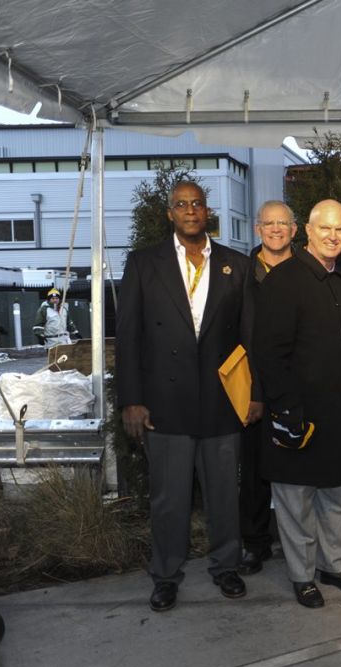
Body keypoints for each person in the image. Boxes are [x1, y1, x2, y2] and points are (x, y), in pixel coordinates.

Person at [115, 180, 261, 612]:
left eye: (197, 203)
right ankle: (164, 576)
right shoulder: (144, 263)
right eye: (182, 204)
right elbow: (128, 337)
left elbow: (250, 337)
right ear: (170, 214)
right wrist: (132, 400)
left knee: (223, 497)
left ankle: (226, 567)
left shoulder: (237, 264)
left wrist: (255, 394)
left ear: (207, 211)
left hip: (221, 403)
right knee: (168, 499)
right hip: (164, 403)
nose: (191, 210)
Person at [253, 199, 341, 609]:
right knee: (296, 498)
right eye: (326, 229)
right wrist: (286, 406)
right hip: (295, 411)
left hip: (339, 412)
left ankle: (333, 565)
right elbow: (269, 352)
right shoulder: (283, 281)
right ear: (309, 231)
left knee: (339, 493)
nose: (334, 237)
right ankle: (302, 576)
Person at [238, 200, 297, 576]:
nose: (276, 229)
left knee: (297, 470)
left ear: (295, 229)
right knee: (255, 470)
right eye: (268, 223)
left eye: (283, 223)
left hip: (298, 384)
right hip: (254, 386)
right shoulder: (241, 272)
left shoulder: (308, 269)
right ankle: (255, 543)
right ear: (258, 229)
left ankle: (300, 546)